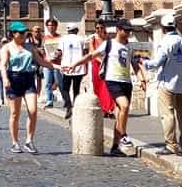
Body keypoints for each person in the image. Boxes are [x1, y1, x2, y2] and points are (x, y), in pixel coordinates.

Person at [67, 20, 148, 156]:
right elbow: (91, 56)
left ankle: (115, 146)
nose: (128, 33)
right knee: (125, 105)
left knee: (121, 115)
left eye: (129, 31)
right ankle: (123, 136)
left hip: (126, 81)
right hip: (112, 80)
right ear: (118, 29)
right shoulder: (109, 44)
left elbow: (135, 65)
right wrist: (75, 64)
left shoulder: (130, 47)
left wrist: (142, 79)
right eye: (126, 30)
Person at [0, 22, 54, 154]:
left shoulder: (30, 47)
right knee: (15, 114)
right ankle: (15, 142)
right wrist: (5, 79)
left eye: (25, 33)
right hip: (14, 79)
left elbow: (41, 61)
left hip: (28, 78)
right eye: (21, 33)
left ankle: (29, 141)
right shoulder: (7, 48)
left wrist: (57, 67)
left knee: (33, 111)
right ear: (13, 34)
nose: (24, 35)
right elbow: (2, 65)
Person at [142, 14, 182, 155]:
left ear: (164, 28)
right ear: (175, 26)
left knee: (168, 114)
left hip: (167, 82)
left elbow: (157, 62)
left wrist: (144, 62)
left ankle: (171, 145)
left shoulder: (165, 42)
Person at [58, 23, 87, 119]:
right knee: (76, 89)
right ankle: (76, 108)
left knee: (65, 88)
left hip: (67, 67)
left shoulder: (63, 39)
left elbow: (59, 52)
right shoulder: (82, 39)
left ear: (68, 30)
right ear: (76, 30)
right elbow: (85, 54)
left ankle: (69, 106)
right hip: (78, 68)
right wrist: (85, 67)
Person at [88, 20, 115, 118]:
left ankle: (110, 108)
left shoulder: (109, 39)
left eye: (101, 28)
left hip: (107, 65)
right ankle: (103, 108)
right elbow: (92, 53)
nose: (99, 30)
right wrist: (101, 61)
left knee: (108, 87)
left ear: (105, 28)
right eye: (97, 28)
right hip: (96, 65)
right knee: (98, 87)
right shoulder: (92, 39)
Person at [40, 19, 63, 107]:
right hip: (48, 63)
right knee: (47, 83)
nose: (51, 27)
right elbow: (42, 49)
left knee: (59, 81)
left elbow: (62, 49)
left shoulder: (60, 37)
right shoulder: (44, 38)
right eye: (49, 25)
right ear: (47, 26)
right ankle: (49, 100)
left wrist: (58, 55)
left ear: (56, 26)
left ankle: (65, 99)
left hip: (57, 63)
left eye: (53, 25)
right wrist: (45, 57)